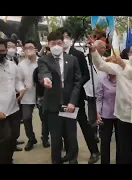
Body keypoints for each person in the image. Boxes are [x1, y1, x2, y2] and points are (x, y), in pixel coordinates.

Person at [90, 41, 132, 164]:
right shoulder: (122, 65)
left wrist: (122, 64)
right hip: (123, 115)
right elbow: (101, 65)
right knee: (124, 148)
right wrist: (94, 51)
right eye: (130, 52)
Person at [57, 27, 100, 164]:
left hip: (78, 97)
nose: (64, 40)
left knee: (84, 125)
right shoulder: (56, 56)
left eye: (65, 37)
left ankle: (94, 151)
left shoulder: (78, 54)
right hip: (64, 98)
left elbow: (86, 75)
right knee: (68, 128)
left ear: (69, 38)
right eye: (61, 38)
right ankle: (71, 154)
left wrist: (76, 84)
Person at [38, 31, 81, 164]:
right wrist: (46, 79)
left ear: (63, 44)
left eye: (59, 43)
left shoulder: (72, 59)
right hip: (53, 106)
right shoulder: (44, 60)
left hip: (69, 105)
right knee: (56, 139)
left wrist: (73, 102)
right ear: (48, 45)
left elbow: (77, 81)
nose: (56, 46)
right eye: (53, 43)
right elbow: (44, 73)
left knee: (71, 137)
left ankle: (73, 160)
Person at [18, 40, 48, 151]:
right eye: (26, 48)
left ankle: (45, 137)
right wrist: (22, 88)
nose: (29, 50)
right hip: (27, 95)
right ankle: (31, 139)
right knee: (26, 118)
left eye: (31, 47)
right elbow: (18, 80)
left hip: (41, 95)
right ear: (24, 51)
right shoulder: (21, 65)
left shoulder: (42, 62)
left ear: (35, 49)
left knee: (44, 117)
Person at [0, 38, 25, 164]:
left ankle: (9, 159)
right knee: (5, 139)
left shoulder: (12, 65)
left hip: (14, 108)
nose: (2, 53)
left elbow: (17, 81)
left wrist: (21, 90)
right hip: (1, 112)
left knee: (13, 137)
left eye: (3, 50)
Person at [84, 40, 106, 143]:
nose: (105, 49)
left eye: (105, 47)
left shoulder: (105, 60)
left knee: (102, 116)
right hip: (91, 93)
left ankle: (103, 133)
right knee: (92, 117)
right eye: (102, 47)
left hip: (103, 93)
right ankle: (93, 134)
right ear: (95, 48)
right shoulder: (87, 60)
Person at [96, 71, 120, 164]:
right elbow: (99, 98)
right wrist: (98, 112)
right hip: (106, 114)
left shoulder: (122, 79)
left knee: (121, 142)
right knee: (105, 141)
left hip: (120, 115)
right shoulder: (102, 80)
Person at [6, 39, 24, 151]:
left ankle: (14, 141)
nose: (11, 49)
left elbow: (17, 78)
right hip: (5, 99)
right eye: (9, 47)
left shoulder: (15, 59)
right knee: (7, 127)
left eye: (13, 46)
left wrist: (21, 89)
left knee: (16, 122)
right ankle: (10, 145)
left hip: (17, 95)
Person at [33, 67, 50, 149]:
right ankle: (45, 138)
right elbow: (36, 82)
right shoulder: (38, 69)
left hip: (55, 96)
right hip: (42, 97)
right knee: (44, 119)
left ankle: (60, 141)